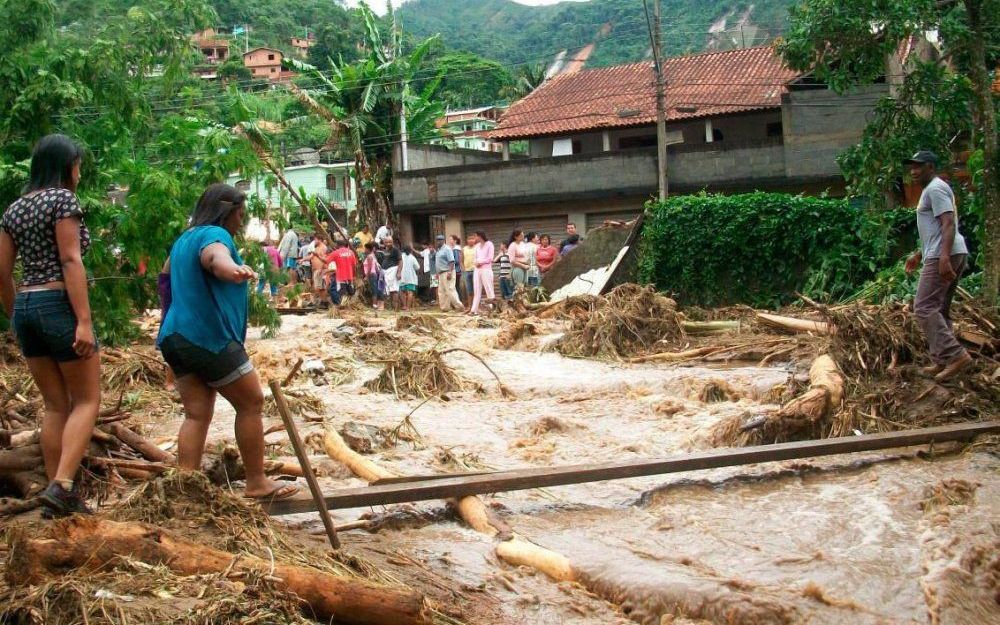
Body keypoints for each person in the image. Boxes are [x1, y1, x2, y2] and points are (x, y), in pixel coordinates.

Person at [157, 183, 298, 501]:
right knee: (251, 402)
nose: (241, 222)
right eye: (241, 215)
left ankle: (185, 486)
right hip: (209, 338)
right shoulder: (214, 237)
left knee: (196, 414)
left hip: (175, 338)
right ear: (228, 213)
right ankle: (257, 482)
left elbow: (164, 281)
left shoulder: (182, 240)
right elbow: (214, 258)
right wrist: (232, 270)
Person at [0, 134, 100, 517]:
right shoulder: (62, 201)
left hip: (26, 304)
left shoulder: (13, 210)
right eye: (77, 164)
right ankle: (63, 486)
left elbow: (2, 270)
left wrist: (15, 315)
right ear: (67, 166)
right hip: (59, 303)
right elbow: (71, 260)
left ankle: (56, 494)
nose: (79, 171)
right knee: (87, 400)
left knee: (55, 404)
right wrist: (84, 322)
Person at [903, 151, 972, 381]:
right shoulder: (932, 190)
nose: (913, 171)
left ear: (930, 167)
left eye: (918, 167)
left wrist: (942, 258)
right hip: (944, 252)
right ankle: (943, 359)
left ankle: (955, 356)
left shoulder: (935, 188)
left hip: (945, 254)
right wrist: (918, 254)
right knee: (940, 308)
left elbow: (949, 223)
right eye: (911, 167)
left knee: (923, 307)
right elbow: (937, 229)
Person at [435, 235, 463, 312]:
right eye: (437, 240)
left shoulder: (447, 249)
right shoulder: (438, 250)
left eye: (440, 240)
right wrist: (437, 273)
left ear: (443, 241)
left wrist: (450, 272)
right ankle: (445, 308)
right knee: (441, 291)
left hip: (447, 271)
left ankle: (459, 306)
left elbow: (451, 261)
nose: (438, 242)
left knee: (450, 290)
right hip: (441, 273)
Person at [470, 231, 495, 315]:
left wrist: (480, 262)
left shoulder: (489, 244)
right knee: (476, 289)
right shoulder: (477, 246)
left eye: (475, 236)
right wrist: (476, 263)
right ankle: (474, 310)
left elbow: (490, 258)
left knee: (489, 288)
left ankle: (492, 309)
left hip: (486, 269)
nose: (474, 238)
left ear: (480, 236)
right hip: (477, 269)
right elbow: (475, 258)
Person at [329, 239, 357, 307]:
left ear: (338, 245)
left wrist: (317, 256)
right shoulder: (351, 252)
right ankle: (347, 305)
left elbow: (326, 261)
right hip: (349, 276)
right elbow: (354, 265)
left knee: (338, 292)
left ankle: (340, 305)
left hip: (340, 276)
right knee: (349, 291)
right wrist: (354, 275)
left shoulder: (335, 253)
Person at [380, 236, 402, 310]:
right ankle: (391, 307)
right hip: (385, 272)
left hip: (393, 270)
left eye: (390, 242)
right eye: (387, 242)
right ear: (384, 243)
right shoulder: (384, 250)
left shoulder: (395, 250)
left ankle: (396, 308)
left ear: (392, 242)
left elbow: (400, 261)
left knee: (394, 289)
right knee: (388, 290)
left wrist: (399, 272)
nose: (389, 243)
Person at [362, 241, 384, 310]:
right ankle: (376, 304)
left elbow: (369, 267)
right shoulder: (373, 255)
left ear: (368, 249)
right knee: (375, 289)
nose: (364, 250)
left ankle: (374, 305)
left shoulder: (369, 256)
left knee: (374, 289)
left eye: (365, 249)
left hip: (371, 274)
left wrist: (366, 276)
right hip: (374, 274)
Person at [400, 245, 421, 311]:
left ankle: (404, 306)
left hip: (402, 277)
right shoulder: (412, 257)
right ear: (410, 251)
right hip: (410, 278)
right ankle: (408, 308)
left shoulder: (401, 256)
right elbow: (417, 267)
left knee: (402, 292)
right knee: (410, 292)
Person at [309, 236, 329, 306]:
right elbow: (311, 257)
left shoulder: (324, 248)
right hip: (316, 270)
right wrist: (302, 260)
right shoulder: (316, 248)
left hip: (321, 270)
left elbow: (325, 259)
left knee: (321, 287)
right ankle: (322, 301)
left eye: (315, 239)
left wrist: (321, 268)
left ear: (320, 240)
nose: (314, 241)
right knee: (318, 287)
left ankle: (324, 302)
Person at [462, 234, 477, 306]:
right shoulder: (464, 249)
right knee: (469, 290)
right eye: (469, 239)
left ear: (475, 240)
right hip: (467, 272)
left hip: (476, 271)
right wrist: (464, 269)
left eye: (472, 239)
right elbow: (461, 260)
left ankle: (477, 306)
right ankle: (470, 306)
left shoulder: (477, 248)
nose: (471, 240)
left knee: (477, 290)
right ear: (467, 240)